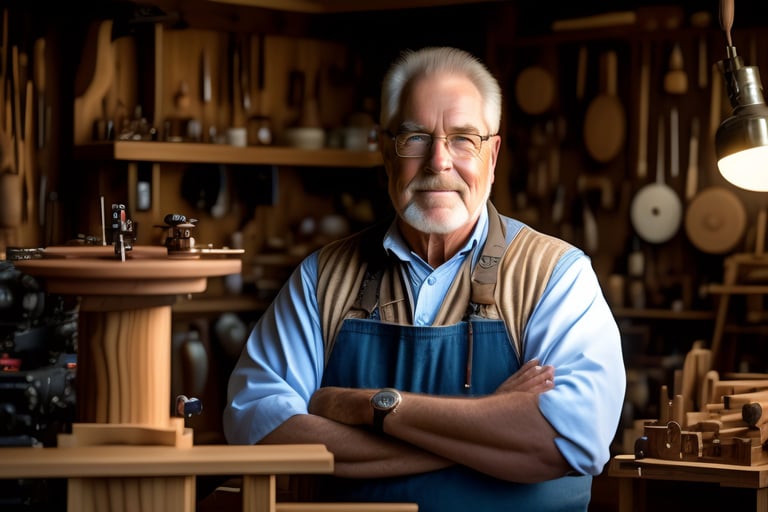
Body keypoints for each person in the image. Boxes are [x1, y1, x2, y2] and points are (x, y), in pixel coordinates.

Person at [223, 46, 626, 511]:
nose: (438, 161)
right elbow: (255, 426)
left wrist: (368, 406)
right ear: (385, 151)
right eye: (416, 137)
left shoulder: (556, 276)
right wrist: (486, 431)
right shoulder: (322, 278)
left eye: (462, 138)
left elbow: (573, 439)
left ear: (492, 155)